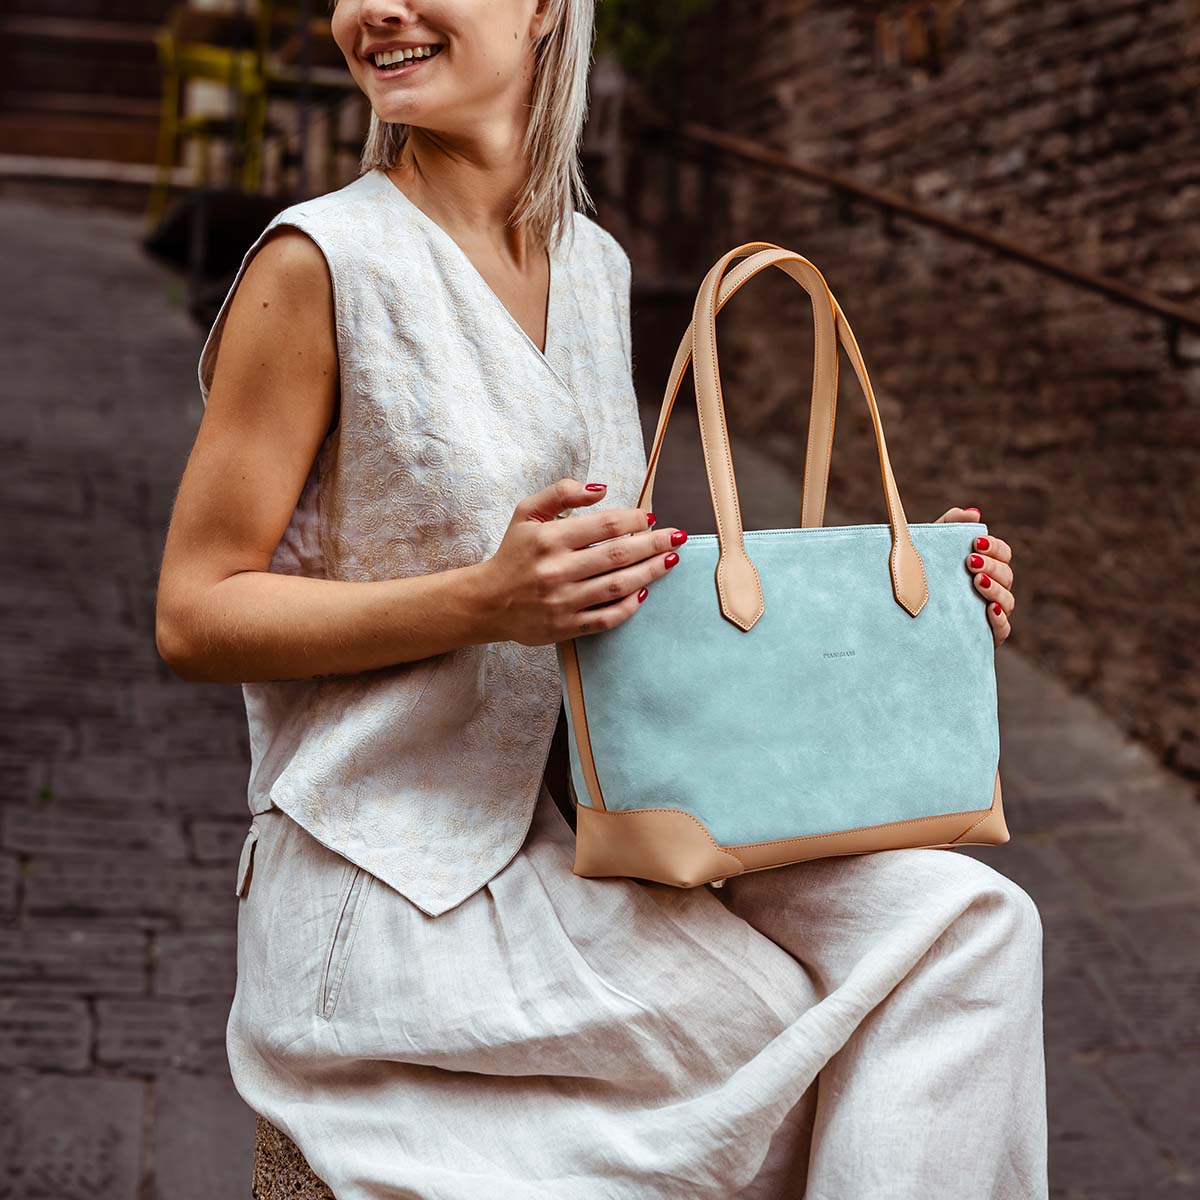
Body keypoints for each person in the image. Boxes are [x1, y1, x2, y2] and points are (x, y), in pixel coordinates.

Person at [154, 1, 1047, 1196]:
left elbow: (631, 592)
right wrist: (483, 601)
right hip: (394, 879)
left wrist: (912, 603)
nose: (377, 11)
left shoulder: (596, 266)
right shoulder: (318, 264)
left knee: (972, 929)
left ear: (539, 11)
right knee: (819, 1043)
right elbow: (193, 613)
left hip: (606, 822)